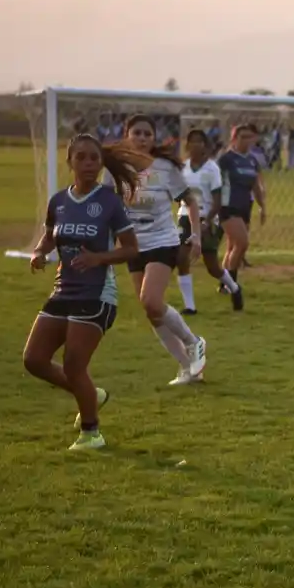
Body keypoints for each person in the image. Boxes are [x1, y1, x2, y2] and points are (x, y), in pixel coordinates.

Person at [23, 134, 143, 451]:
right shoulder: (59, 201)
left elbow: (131, 249)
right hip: (64, 289)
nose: (89, 163)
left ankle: (92, 433)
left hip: (97, 294)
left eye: (94, 158)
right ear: (70, 162)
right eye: (82, 158)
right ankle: (91, 395)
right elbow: (50, 236)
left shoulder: (108, 201)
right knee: (34, 359)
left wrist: (98, 258)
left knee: (75, 365)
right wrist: (39, 252)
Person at [108, 114, 207, 387]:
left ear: (154, 139)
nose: (141, 138)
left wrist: (195, 236)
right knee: (150, 311)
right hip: (132, 244)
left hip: (163, 240)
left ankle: (194, 342)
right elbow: (106, 202)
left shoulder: (164, 167)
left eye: (147, 134)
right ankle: (188, 369)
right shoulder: (116, 168)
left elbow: (190, 201)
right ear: (126, 134)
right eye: (136, 133)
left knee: (151, 301)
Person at [176, 128, 243, 314]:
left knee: (211, 265)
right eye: (192, 141)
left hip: (207, 216)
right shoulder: (183, 167)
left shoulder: (212, 169)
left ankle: (234, 287)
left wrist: (208, 222)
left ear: (205, 145)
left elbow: (217, 201)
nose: (195, 145)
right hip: (185, 216)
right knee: (181, 257)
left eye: (200, 141)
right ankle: (190, 306)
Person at [217, 123, 267, 291]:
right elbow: (215, 184)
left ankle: (224, 284)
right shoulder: (226, 159)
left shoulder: (252, 160)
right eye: (242, 137)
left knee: (232, 247)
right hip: (228, 207)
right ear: (234, 139)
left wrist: (262, 207)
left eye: (249, 137)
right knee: (242, 243)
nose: (246, 141)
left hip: (245, 207)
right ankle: (232, 285)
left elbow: (255, 186)